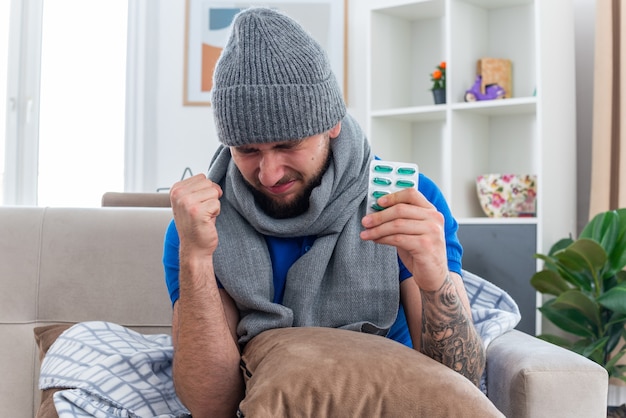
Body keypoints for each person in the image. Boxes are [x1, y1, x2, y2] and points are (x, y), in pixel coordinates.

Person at [164, 7, 485, 417]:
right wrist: (194, 259)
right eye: (247, 150)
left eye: (287, 145)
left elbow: (460, 382)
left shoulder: (408, 201)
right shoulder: (201, 223)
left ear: (332, 123)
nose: (269, 172)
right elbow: (212, 405)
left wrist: (436, 277)